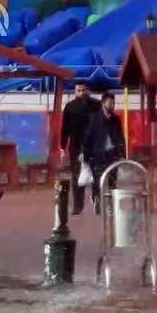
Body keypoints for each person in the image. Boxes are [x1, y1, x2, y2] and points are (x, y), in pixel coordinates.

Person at [81, 91, 126, 213]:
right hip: (97, 154)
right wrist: (84, 153)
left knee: (112, 180)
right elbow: (88, 136)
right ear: (103, 103)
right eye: (110, 103)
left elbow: (121, 137)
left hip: (112, 154)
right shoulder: (94, 118)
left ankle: (110, 204)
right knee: (98, 179)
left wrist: (122, 154)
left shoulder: (116, 119)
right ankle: (97, 199)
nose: (112, 106)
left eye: (113, 103)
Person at [60, 82, 101, 214]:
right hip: (76, 145)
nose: (81, 93)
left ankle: (97, 203)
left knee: (97, 174)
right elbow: (65, 127)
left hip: (94, 144)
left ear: (88, 90)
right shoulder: (70, 107)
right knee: (77, 175)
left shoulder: (96, 105)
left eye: (83, 90)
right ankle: (78, 206)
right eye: (78, 90)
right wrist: (62, 146)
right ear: (75, 91)